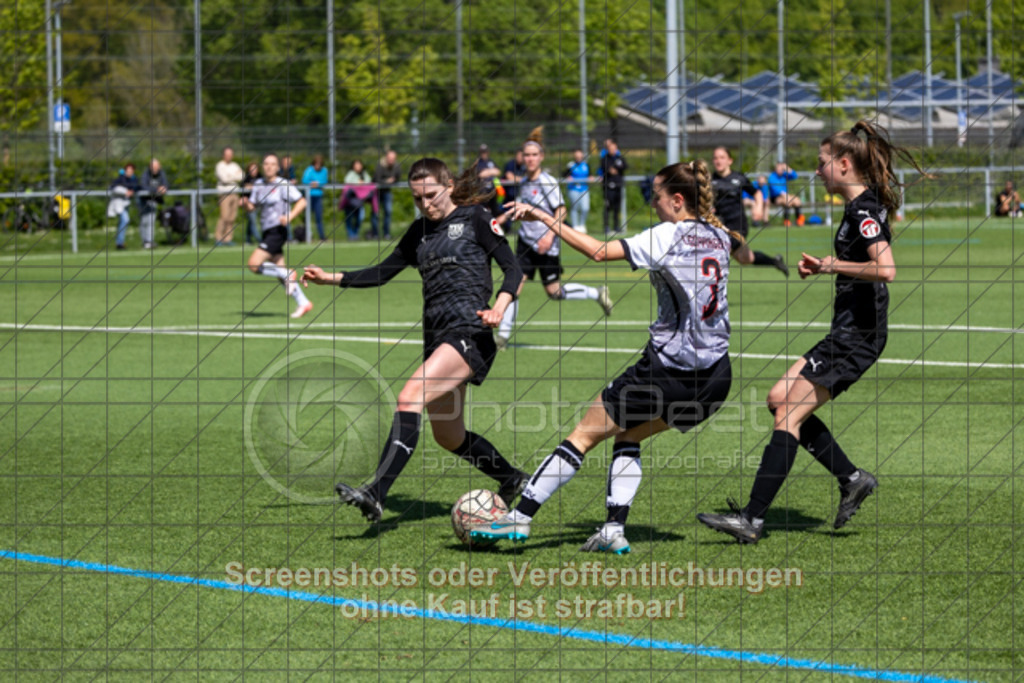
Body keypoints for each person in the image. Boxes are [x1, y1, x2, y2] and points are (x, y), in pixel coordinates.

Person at [474, 160, 738, 553]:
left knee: (582, 435)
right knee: (629, 434)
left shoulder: (669, 234)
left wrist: (544, 217)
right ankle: (613, 531)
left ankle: (519, 518)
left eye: (658, 198)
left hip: (668, 370)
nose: (655, 206)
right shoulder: (720, 236)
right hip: (716, 377)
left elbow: (597, 251)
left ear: (679, 200)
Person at [697, 120, 929, 544]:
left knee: (788, 412)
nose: (816, 171)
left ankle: (752, 519)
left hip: (858, 336)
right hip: (846, 331)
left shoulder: (862, 210)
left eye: (821, 164)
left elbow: (886, 269)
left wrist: (830, 265)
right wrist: (827, 265)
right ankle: (852, 478)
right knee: (777, 399)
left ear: (843, 165)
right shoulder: (859, 206)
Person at [301, 158, 527, 522]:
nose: (426, 204)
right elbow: (380, 272)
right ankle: (512, 479)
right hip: (438, 338)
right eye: (417, 198)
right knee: (449, 436)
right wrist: (332, 277)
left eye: (432, 195)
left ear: (449, 186)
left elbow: (513, 269)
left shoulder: (476, 218)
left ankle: (376, 492)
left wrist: (500, 307)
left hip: (470, 332)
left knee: (410, 397)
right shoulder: (418, 232)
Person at [495, 127, 613, 351]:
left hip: (546, 244)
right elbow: (521, 209)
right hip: (525, 242)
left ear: (541, 157)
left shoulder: (547, 182)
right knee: (515, 284)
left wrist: (549, 235)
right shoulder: (524, 182)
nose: (529, 158)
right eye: (526, 155)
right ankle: (502, 337)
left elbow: (562, 211)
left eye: (534, 155)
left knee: (554, 292)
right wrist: (498, 219)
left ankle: (596, 293)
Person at [241, 154, 313, 319]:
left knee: (253, 265)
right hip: (267, 231)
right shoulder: (258, 184)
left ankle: (287, 275)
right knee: (281, 274)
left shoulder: (283, 184)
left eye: (272, 164)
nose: (268, 167)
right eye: (265, 163)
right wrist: (246, 204)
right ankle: (303, 302)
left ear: (277, 167)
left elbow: (302, 202)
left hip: (277, 231)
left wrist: (290, 216)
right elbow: (253, 207)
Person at [711, 147, 788, 276]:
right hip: (719, 225)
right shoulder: (710, 180)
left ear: (730, 160)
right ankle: (775, 261)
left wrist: (758, 208)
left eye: (722, 157)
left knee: (721, 246)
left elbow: (757, 193)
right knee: (746, 259)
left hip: (738, 224)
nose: (718, 161)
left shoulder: (739, 178)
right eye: (715, 158)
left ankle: (714, 285)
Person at [215, 147, 244, 246]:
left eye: (230, 154)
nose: (229, 156)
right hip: (224, 194)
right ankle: (218, 238)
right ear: (223, 155)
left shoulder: (235, 165)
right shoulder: (220, 165)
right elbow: (224, 179)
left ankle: (228, 239)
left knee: (232, 217)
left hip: (235, 193)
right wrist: (235, 176)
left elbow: (242, 176)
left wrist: (230, 176)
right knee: (224, 216)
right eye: (227, 154)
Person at [340, 159, 376, 241]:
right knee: (349, 218)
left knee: (359, 218)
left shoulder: (364, 174)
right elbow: (347, 182)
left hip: (359, 202)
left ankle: (355, 234)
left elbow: (369, 182)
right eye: (356, 165)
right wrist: (357, 183)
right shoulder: (350, 174)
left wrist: (362, 183)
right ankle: (351, 235)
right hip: (349, 201)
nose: (358, 167)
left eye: (359, 165)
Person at [599, 138, 627, 236]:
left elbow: (625, 166)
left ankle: (616, 226)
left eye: (614, 148)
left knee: (616, 208)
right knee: (607, 207)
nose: (613, 150)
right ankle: (606, 227)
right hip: (608, 187)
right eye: (611, 148)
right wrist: (611, 170)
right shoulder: (604, 158)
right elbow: (605, 168)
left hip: (618, 186)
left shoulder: (620, 157)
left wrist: (616, 169)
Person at [107, 163, 139, 250]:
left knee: (123, 222)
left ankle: (120, 242)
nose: (129, 172)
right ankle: (120, 242)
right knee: (125, 220)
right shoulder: (121, 178)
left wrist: (132, 191)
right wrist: (126, 191)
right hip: (118, 204)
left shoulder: (134, 179)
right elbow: (113, 187)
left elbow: (137, 186)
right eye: (128, 170)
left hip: (126, 204)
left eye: (131, 171)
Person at [139, 158, 168, 249]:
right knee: (144, 221)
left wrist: (164, 188)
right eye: (153, 167)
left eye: (156, 167)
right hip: (143, 200)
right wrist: (156, 190)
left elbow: (166, 184)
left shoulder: (161, 173)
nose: (155, 169)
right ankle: (145, 241)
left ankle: (149, 241)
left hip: (153, 200)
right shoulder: (145, 174)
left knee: (151, 220)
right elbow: (143, 186)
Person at [371, 149, 400, 239]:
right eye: (390, 158)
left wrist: (391, 180)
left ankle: (386, 233)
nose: (391, 160)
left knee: (388, 212)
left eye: (393, 158)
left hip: (387, 192)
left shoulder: (396, 166)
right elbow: (377, 179)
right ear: (386, 157)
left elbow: (397, 178)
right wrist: (387, 181)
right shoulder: (380, 165)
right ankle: (375, 234)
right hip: (376, 192)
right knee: (375, 213)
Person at [767, 161, 804, 226]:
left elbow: (795, 176)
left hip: (786, 195)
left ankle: (799, 220)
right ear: (776, 168)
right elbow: (776, 189)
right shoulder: (772, 177)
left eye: (782, 168)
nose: (780, 170)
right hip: (775, 198)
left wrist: (787, 168)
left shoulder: (784, 175)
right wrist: (785, 195)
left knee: (797, 201)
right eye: (779, 168)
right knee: (787, 201)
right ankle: (786, 221)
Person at [302, 154, 329, 241]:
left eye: (319, 164)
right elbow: (304, 180)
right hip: (309, 196)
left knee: (318, 217)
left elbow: (325, 181)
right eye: (316, 164)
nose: (317, 166)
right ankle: (307, 236)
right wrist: (311, 183)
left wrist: (318, 184)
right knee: (307, 217)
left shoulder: (324, 170)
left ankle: (322, 236)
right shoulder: (309, 170)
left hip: (318, 196)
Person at [564, 148, 592, 233]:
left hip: (584, 189)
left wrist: (591, 178)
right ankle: (575, 226)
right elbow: (565, 174)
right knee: (575, 208)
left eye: (580, 155)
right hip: (573, 189)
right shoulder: (570, 165)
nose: (578, 157)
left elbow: (590, 175)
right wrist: (568, 177)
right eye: (577, 155)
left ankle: (582, 224)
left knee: (585, 208)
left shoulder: (586, 165)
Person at [475, 144, 502, 215]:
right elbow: (480, 174)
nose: (484, 154)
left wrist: (487, 172)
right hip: (483, 191)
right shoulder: (478, 162)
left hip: (493, 190)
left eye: (485, 152)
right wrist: (491, 171)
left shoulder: (491, 162)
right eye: (482, 152)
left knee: (496, 210)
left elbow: (498, 171)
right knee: (482, 210)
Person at [241, 161, 261, 245]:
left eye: (255, 169)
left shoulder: (261, 177)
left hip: (260, 203)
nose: (254, 171)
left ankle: (248, 239)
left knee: (251, 222)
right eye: (252, 169)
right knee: (252, 221)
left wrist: (252, 187)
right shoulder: (246, 178)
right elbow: (243, 189)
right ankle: (260, 239)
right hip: (249, 204)